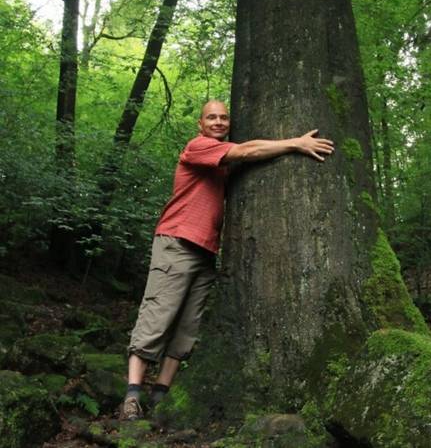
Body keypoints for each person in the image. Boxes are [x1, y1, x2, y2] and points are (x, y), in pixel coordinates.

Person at [119, 100, 335, 420]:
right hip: (177, 242)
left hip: (206, 251)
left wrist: (288, 143)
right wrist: (296, 143)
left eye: (223, 117)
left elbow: (249, 147)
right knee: (158, 315)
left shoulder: (223, 156)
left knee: (188, 326)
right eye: (212, 117)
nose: (219, 122)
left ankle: (161, 394)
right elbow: (247, 152)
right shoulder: (198, 147)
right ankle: (132, 397)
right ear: (200, 124)